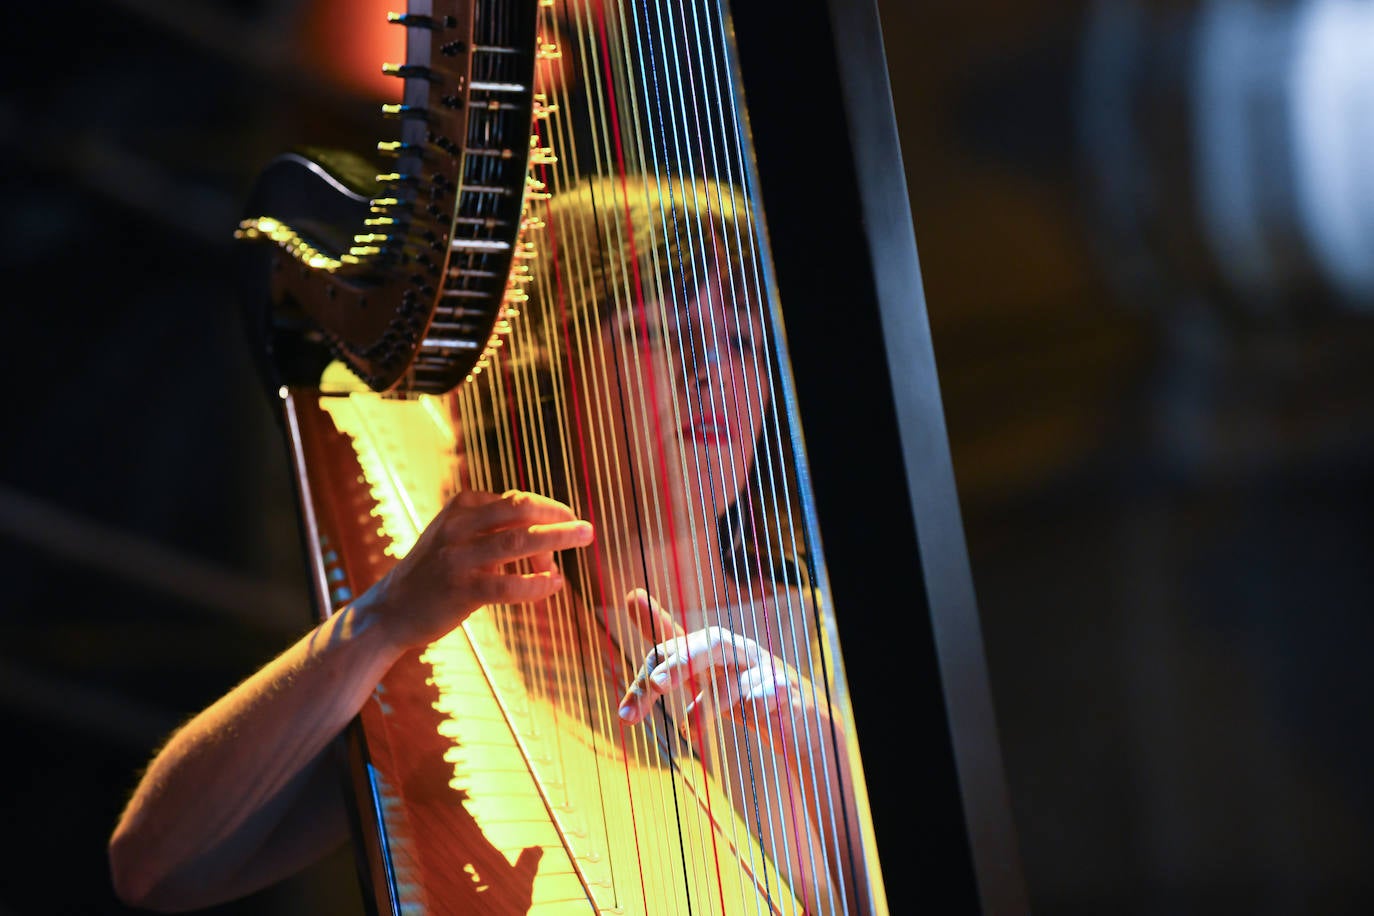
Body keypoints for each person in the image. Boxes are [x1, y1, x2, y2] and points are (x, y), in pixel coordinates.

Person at [109, 175, 859, 913]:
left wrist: (801, 730)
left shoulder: (831, 648)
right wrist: (379, 624)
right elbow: (158, 868)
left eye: (746, 343)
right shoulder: (455, 651)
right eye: (661, 332)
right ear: (547, 364)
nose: (715, 374)